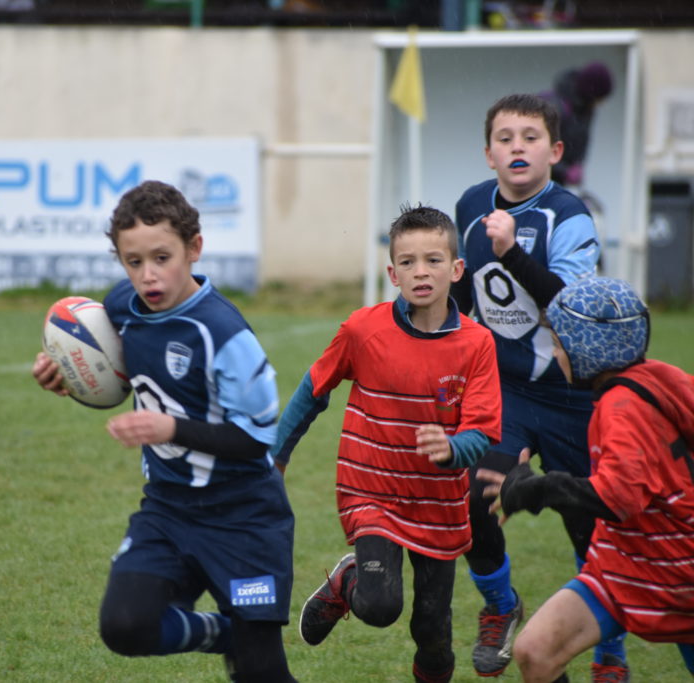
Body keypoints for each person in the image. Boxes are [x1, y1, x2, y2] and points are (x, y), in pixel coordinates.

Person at [31, 180, 297, 682]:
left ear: (194, 249)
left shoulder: (224, 334)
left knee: (261, 673)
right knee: (124, 626)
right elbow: (114, 377)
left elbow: (255, 441)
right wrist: (63, 377)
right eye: (133, 262)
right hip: (169, 512)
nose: (148, 276)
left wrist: (171, 427)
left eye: (162, 257)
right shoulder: (123, 309)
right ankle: (224, 632)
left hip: (245, 521)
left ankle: (245, 640)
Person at [273, 204, 501, 683]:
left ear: (456, 269)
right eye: (409, 262)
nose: (422, 271)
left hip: (439, 504)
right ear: (392, 272)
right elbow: (313, 389)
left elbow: (482, 434)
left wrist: (453, 448)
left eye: (434, 260)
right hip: (372, 492)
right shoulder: (363, 329)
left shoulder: (477, 344)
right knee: (380, 606)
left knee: (433, 636)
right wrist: (276, 456)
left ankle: (425, 657)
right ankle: (350, 580)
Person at [450, 92, 628, 679]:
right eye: (506, 138)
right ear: (488, 153)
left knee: (590, 523)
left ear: (554, 151)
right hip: (508, 393)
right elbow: (463, 295)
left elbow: (573, 310)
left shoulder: (569, 215)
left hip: (574, 395)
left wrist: (512, 252)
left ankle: (610, 653)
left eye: (530, 137)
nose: (517, 147)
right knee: (475, 497)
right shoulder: (471, 206)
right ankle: (501, 607)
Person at [478, 276, 694, 682]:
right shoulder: (660, 376)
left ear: (588, 348)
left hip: (676, 572)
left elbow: (619, 497)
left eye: (559, 344)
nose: (556, 355)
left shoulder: (622, 408)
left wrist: (535, 488)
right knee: (534, 651)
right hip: (623, 564)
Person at [540, 61, 614, 189]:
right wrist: (564, 171)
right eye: (599, 99)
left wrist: (577, 164)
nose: (600, 104)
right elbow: (539, 151)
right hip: (541, 180)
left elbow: (582, 142)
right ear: (591, 93)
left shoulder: (585, 110)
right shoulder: (554, 107)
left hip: (559, 183)